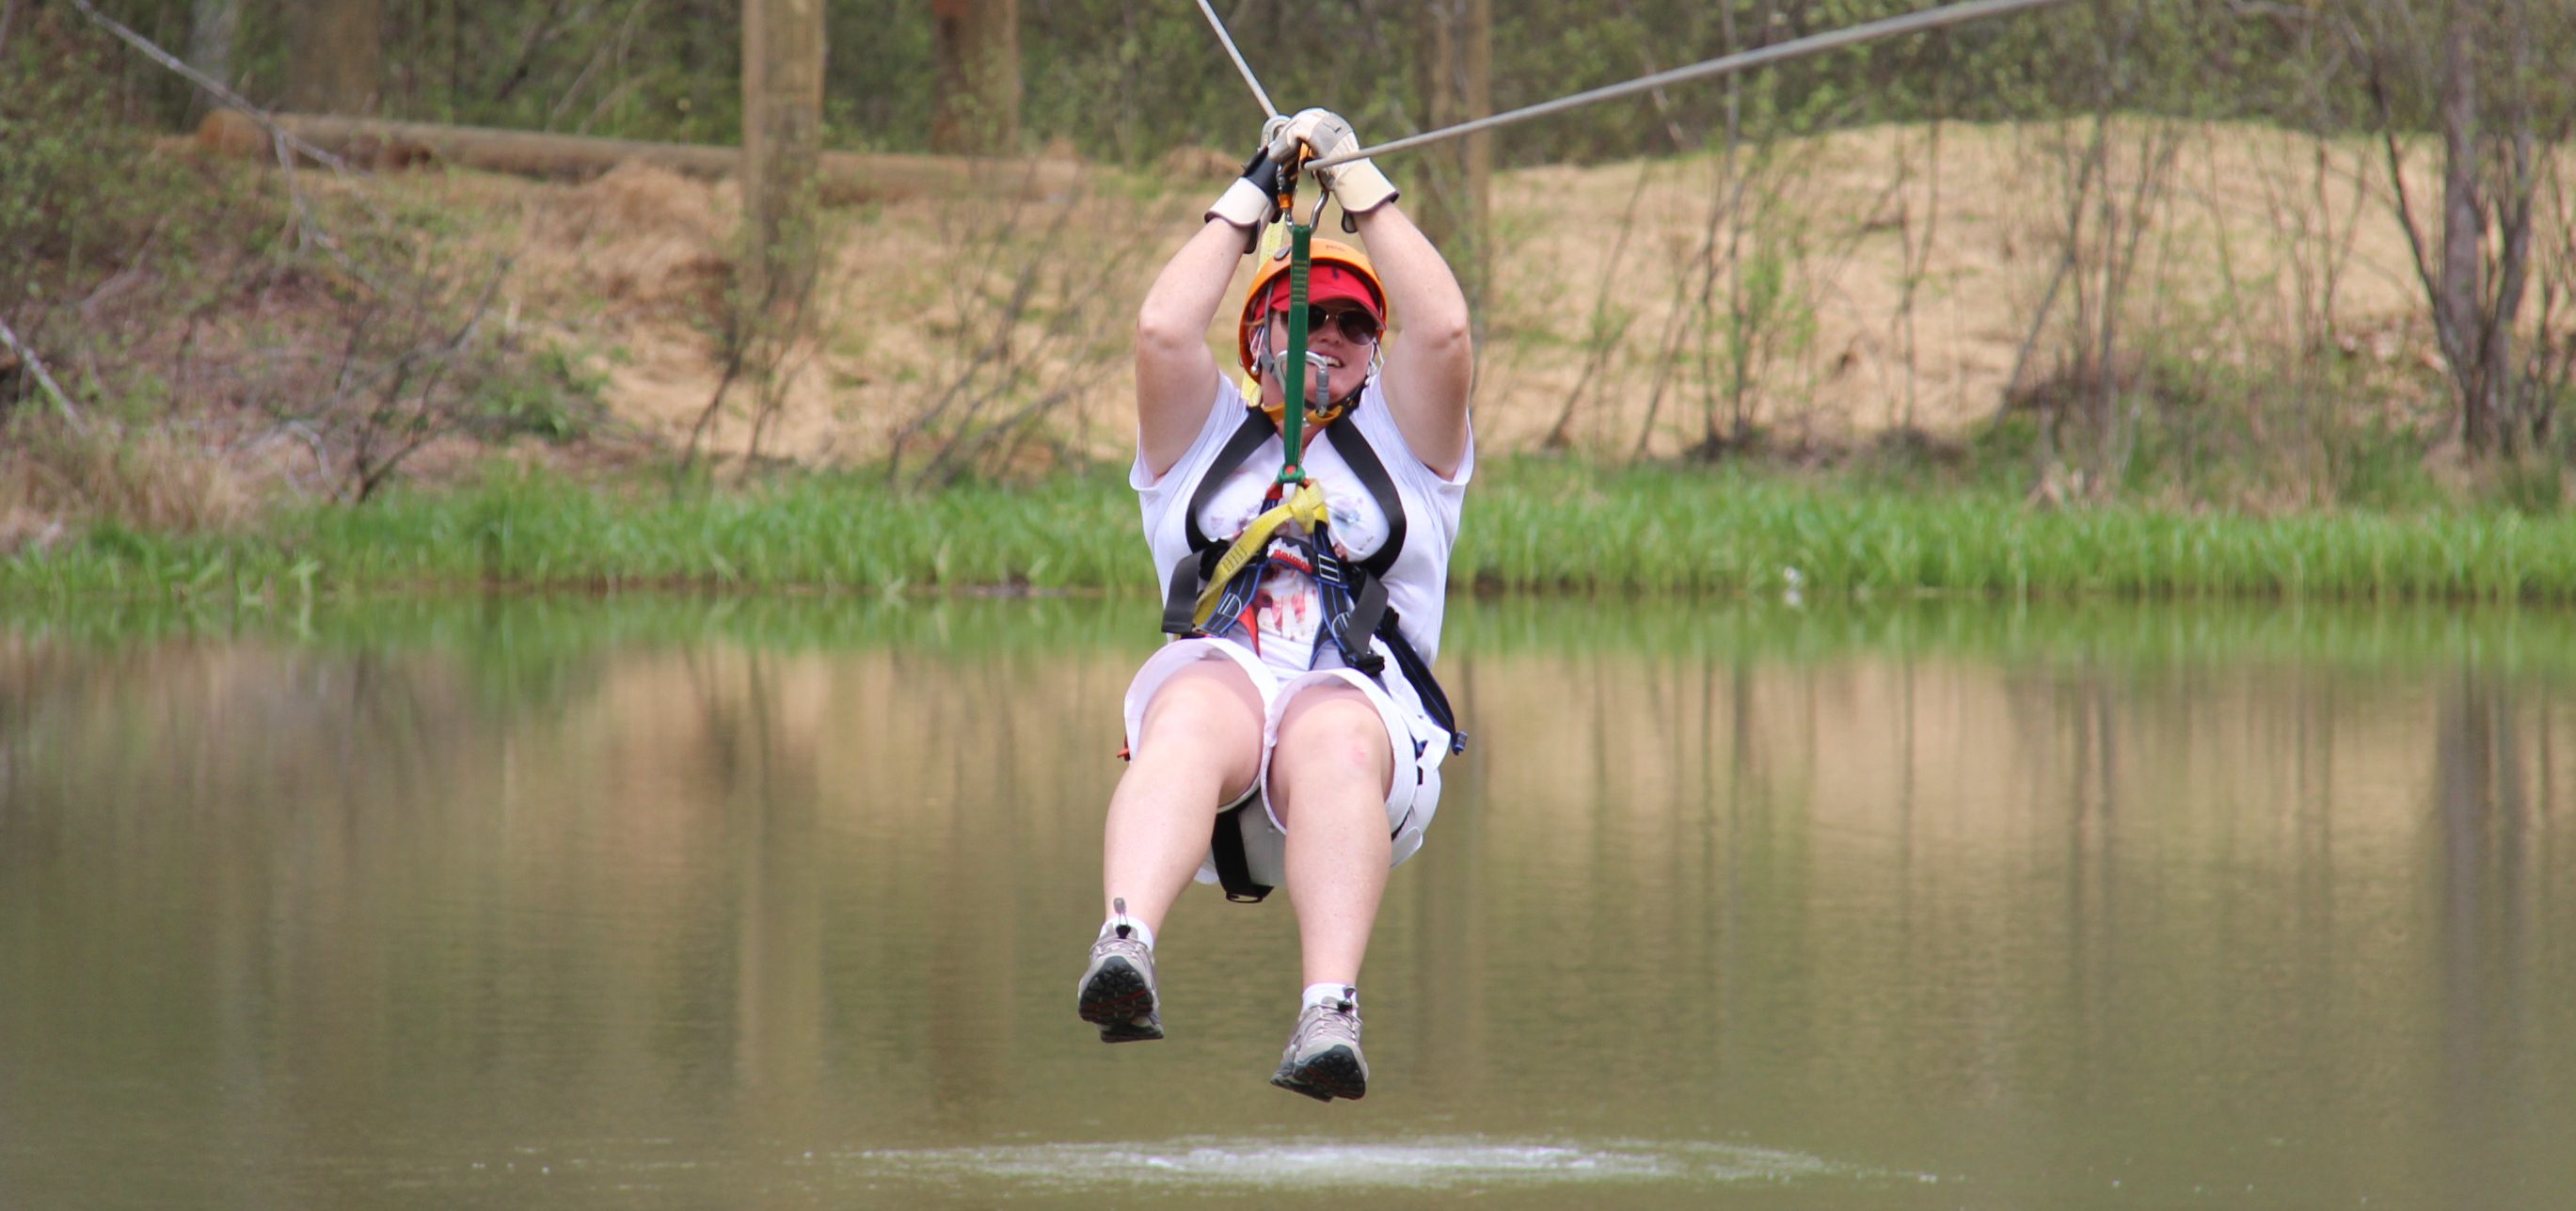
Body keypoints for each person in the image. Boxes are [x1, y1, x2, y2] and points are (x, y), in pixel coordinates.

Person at [1073, 106, 1474, 1104]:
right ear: (1257, 334)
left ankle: (1327, 1011)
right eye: (1301, 317)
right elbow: (1164, 327)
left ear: (1372, 350)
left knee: (1331, 733)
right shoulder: (1198, 437)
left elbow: (1448, 328)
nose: (1324, 336)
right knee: (1193, 707)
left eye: (1348, 324)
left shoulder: (1411, 444)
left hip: (1361, 727)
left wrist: (1355, 179)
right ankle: (1125, 944)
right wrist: (1254, 190)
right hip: (1224, 720)